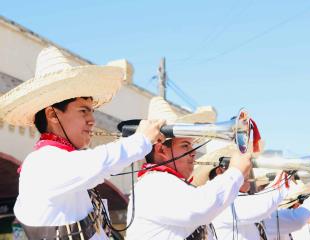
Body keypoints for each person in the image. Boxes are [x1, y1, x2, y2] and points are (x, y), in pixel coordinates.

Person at [0, 46, 164, 240]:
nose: (92, 120)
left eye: (92, 111)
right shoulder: (42, 162)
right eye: (83, 111)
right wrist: (141, 140)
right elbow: (98, 162)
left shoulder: (64, 160)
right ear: (52, 114)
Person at [125, 97, 253, 240]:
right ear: (161, 150)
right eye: (185, 145)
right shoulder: (153, 183)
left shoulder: (169, 183)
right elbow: (201, 207)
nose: (193, 152)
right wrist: (235, 172)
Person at [193, 144, 293, 240]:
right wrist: (286, 175)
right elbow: (263, 205)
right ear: (220, 171)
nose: (247, 171)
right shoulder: (220, 200)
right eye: (239, 166)